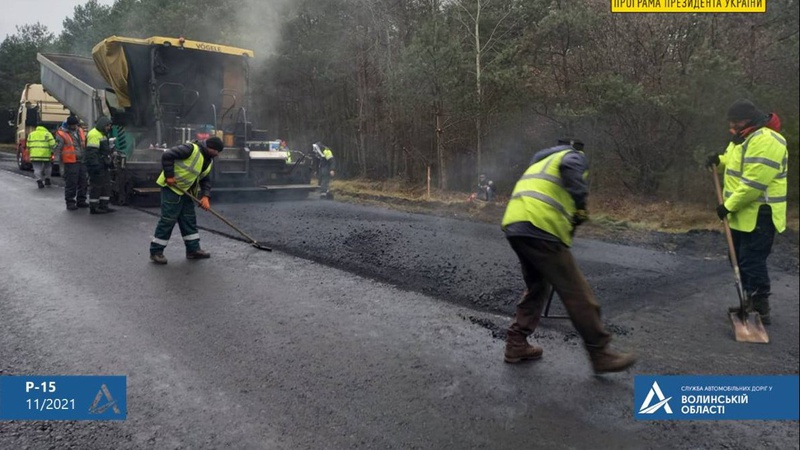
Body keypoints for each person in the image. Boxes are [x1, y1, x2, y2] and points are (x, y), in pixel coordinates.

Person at [500, 137, 636, 374]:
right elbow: (572, 173)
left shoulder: (540, 160)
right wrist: (581, 208)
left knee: (537, 286)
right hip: (542, 226)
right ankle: (600, 353)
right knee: (576, 291)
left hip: (516, 224)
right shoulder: (572, 156)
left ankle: (516, 343)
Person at [705, 99, 788, 325]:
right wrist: (718, 161)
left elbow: (754, 184)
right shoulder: (742, 139)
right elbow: (734, 164)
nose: (731, 127)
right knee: (737, 259)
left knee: (752, 261)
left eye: (735, 123)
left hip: (760, 213)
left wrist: (727, 206)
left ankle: (760, 308)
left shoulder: (768, 141)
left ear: (747, 120)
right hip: (741, 213)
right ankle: (747, 301)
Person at [149, 136, 225, 265]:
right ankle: (156, 252)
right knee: (168, 220)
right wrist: (169, 176)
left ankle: (193, 250)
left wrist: (206, 196)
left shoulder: (209, 160)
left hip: (187, 192)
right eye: (216, 151)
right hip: (172, 188)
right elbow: (167, 155)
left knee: (189, 220)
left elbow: (205, 180)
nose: (217, 154)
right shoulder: (190, 149)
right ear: (210, 147)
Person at [55, 116, 89, 210]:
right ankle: (70, 202)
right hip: (70, 161)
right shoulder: (62, 134)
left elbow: (84, 143)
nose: (75, 126)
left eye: (76, 125)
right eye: (73, 125)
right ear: (69, 125)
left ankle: (81, 200)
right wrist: (56, 161)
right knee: (71, 183)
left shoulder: (80, 131)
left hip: (81, 160)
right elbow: (58, 147)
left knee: (83, 182)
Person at [85, 116, 115, 214]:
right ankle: (94, 207)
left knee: (106, 185)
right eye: (107, 126)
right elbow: (92, 153)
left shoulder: (103, 134)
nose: (109, 128)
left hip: (102, 164)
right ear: (103, 125)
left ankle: (104, 205)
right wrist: (95, 166)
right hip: (97, 165)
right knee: (97, 186)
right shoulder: (94, 134)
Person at [26, 123, 56, 189]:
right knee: (48, 167)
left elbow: (28, 145)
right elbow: (53, 144)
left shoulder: (31, 134)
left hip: (34, 155)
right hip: (46, 155)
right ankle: (47, 179)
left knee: (37, 168)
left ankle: (39, 181)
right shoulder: (48, 134)